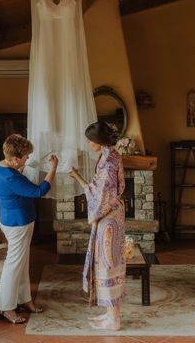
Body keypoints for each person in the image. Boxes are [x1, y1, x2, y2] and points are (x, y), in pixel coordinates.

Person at [0, 133, 58, 324]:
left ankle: (25, 300)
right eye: (25, 157)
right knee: (13, 267)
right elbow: (39, 191)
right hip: (18, 223)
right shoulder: (11, 178)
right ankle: (6, 308)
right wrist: (53, 168)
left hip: (12, 219)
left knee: (22, 263)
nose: (27, 159)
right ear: (13, 159)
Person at [69, 121, 126, 330]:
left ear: (98, 141)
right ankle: (111, 314)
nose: (88, 143)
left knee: (108, 262)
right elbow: (98, 187)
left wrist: (94, 215)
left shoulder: (109, 161)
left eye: (90, 140)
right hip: (109, 214)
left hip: (108, 216)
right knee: (107, 262)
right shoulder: (108, 156)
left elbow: (103, 195)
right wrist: (79, 178)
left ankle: (114, 319)